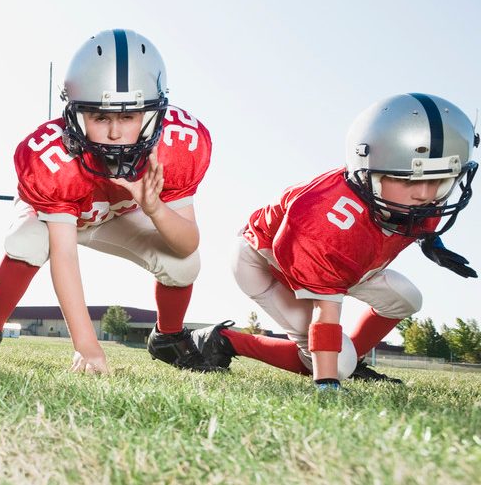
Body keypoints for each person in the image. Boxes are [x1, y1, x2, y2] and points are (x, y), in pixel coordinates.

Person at [0, 29, 220, 373]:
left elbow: (187, 244)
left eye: (128, 117)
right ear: (76, 114)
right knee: (25, 243)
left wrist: (156, 210)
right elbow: (64, 254)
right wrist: (87, 346)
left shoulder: (176, 147)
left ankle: (167, 337)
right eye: (100, 117)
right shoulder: (54, 157)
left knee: (185, 266)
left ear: (152, 116)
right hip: (55, 215)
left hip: (116, 215)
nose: (114, 132)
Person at [192, 93, 476, 388]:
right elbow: (325, 315)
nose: (425, 195)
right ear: (368, 172)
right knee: (335, 363)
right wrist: (327, 382)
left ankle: (354, 360)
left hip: (350, 261)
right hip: (265, 263)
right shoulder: (325, 223)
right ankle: (225, 341)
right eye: (409, 180)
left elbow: (418, 212)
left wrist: (431, 243)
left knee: (405, 298)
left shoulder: (409, 199)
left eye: (441, 180)